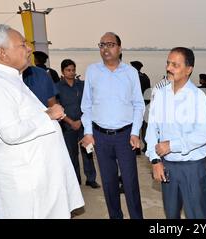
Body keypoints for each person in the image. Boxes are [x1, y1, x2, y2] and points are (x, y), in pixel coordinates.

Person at [0, 24, 84, 219]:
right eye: (22, 45)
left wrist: (45, 113)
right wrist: (48, 115)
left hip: (37, 175)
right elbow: (11, 133)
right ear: (2, 53)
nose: (29, 49)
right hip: (25, 180)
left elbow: (23, 116)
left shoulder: (11, 78)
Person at [81, 32, 144, 219]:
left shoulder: (131, 73)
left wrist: (135, 133)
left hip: (125, 136)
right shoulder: (92, 71)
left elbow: (139, 105)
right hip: (100, 137)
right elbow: (87, 106)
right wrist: (88, 132)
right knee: (108, 184)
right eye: (102, 45)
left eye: (110, 44)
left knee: (130, 182)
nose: (105, 48)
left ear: (119, 47)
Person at [145, 47, 206, 219]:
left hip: (193, 167)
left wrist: (171, 145)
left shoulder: (198, 97)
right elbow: (152, 128)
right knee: (171, 213)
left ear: (189, 69)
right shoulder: (160, 95)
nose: (169, 68)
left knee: (197, 215)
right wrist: (155, 160)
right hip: (167, 165)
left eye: (175, 64)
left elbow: (205, 134)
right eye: (168, 63)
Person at [56, 59, 100, 189]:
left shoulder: (82, 85)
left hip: (83, 124)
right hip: (67, 125)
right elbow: (57, 107)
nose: (71, 73)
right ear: (62, 71)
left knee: (88, 151)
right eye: (68, 70)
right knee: (72, 154)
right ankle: (75, 180)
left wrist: (81, 121)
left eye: (73, 70)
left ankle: (91, 178)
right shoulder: (57, 87)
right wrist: (70, 122)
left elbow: (89, 103)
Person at [130, 60, 151, 154]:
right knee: (144, 127)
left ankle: (137, 147)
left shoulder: (133, 77)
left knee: (136, 126)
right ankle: (146, 146)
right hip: (146, 104)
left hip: (136, 105)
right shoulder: (145, 77)